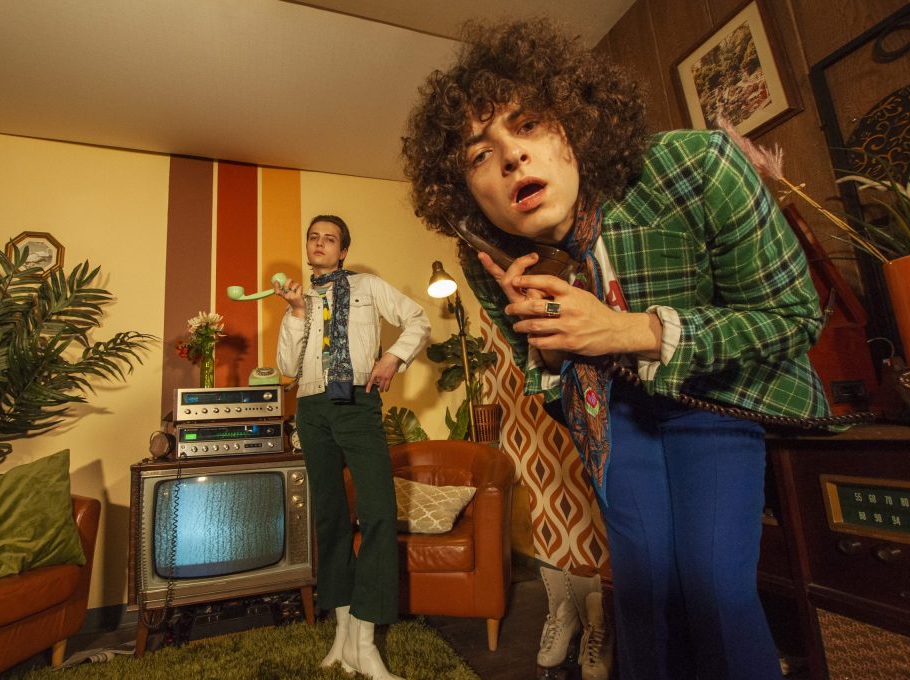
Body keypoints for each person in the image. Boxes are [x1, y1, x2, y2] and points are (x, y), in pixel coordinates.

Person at [401, 20, 830, 680]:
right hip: (614, 416)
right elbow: (546, 382)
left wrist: (627, 331)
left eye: (527, 124)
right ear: (466, 191)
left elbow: (795, 318)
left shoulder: (696, 166)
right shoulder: (488, 255)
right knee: (642, 593)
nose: (511, 157)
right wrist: (546, 338)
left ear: (574, 123)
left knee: (713, 589)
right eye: (479, 154)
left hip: (716, 398)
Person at [275, 214, 430, 680]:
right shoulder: (299, 299)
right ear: (308, 247)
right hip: (311, 408)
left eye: (330, 239)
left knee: (379, 512)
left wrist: (393, 357)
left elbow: (418, 320)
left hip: (358, 405)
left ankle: (366, 642)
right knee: (329, 518)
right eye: (314, 237)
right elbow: (287, 367)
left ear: (343, 251)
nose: (320, 244)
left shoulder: (369, 286)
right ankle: (342, 639)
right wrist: (296, 313)